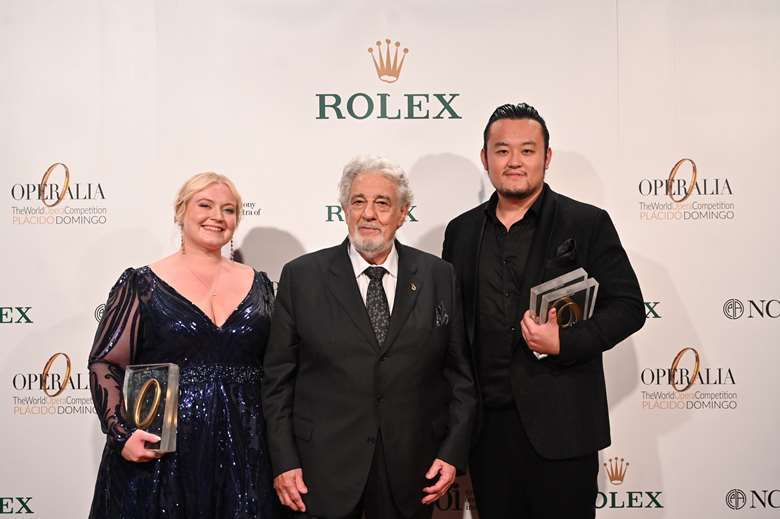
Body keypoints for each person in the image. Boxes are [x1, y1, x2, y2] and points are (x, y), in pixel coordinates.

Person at [442, 103, 645, 519]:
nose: (514, 161)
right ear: (485, 158)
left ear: (547, 158)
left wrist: (564, 342)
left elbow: (628, 308)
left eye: (527, 150)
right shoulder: (460, 232)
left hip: (563, 430)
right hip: (487, 434)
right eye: (502, 151)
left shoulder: (586, 223)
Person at [262, 156, 476, 519]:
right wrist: (284, 461)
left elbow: (460, 377)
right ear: (344, 209)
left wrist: (451, 452)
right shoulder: (302, 277)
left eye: (382, 203)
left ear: (403, 212)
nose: (369, 213)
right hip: (320, 475)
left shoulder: (438, 276)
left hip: (411, 473)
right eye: (358, 201)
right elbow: (277, 381)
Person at [87, 172, 278, 519]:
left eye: (229, 209)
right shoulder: (140, 283)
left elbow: (279, 367)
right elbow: (105, 363)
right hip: (162, 455)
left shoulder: (262, 286)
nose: (217, 217)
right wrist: (122, 433)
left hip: (246, 450)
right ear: (180, 212)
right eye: (205, 205)